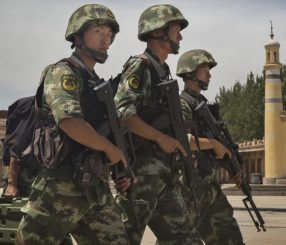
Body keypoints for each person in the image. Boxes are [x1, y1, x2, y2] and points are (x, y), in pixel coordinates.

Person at [16, 4, 131, 244]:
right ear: (78, 35)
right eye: (98, 31)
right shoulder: (64, 72)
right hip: (60, 186)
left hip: (95, 188)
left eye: (109, 35)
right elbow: (69, 122)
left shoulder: (96, 84)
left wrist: (120, 167)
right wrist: (110, 150)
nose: (105, 40)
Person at [114, 4, 204, 244]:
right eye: (176, 29)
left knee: (187, 239)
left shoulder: (162, 70)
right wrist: (160, 138)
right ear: (157, 32)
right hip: (142, 171)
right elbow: (122, 111)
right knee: (124, 238)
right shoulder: (141, 65)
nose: (181, 36)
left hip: (163, 172)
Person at [176, 49, 246, 245]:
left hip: (211, 188)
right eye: (204, 69)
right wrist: (213, 144)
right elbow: (182, 140)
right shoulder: (181, 104)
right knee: (179, 240)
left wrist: (232, 166)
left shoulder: (204, 106)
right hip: (190, 189)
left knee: (230, 238)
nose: (209, 74)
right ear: (190, 72)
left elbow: (216, 149)